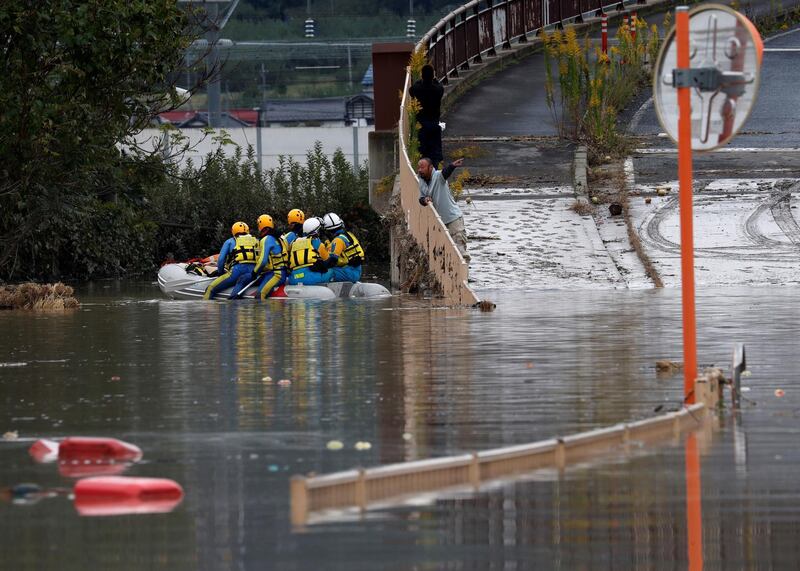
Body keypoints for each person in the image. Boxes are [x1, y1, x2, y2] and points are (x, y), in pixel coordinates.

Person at [417, 156, 470, 263]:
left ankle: (464, 277)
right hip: (440, 222)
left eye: (422, 168)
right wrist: (425, 199)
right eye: (419, 168)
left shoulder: (438, 176)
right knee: (442, 253)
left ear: (431, 167)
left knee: (460, 251)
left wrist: (452, 166)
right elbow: (421, 199)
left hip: (453, 219)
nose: (420, 170)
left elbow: (445, 173)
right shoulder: (421, 181)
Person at [203, 221, 260, 300]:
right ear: (247, 230)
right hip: (254, 272)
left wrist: (220, 273)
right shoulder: (257, 241)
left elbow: (221, 260)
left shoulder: (230, 241)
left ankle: (206, 309)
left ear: (233, 231)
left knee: (210, 289)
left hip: (237, 271)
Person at [409, 64, 444, 166]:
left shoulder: (417, 89)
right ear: (433, 76)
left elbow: (411, 90)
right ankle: (436, 171)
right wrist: (434, 79)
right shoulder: (438, 90)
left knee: (423, 153)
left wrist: (421, 80)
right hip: (434, 123)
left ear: (422, 76)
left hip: (422, 125)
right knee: (435, 153)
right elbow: (440, 86)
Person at [288, 217, 333, 285]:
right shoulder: (318, 243)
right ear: (316, 231)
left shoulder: (293, 242)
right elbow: (327, 261)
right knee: (332, 271)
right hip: (311, 279)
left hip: (293, 279)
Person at [322, 212, 365, 283]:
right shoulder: (349, 235)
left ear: (328, 230)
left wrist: (320, 267)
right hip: (356, 270)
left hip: (349, 272)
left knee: (327, 272)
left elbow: (332, 261)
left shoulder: (338, 240)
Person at [253, 214, 288, 299]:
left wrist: (254, 273)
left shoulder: (266, 239)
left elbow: (262, 262)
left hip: (276, 275)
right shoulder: (282, 238)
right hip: (283, 273)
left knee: (259, 295)